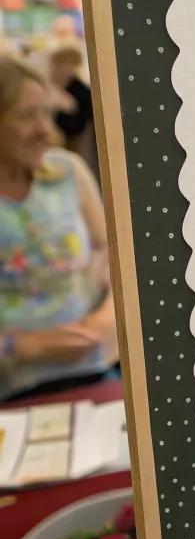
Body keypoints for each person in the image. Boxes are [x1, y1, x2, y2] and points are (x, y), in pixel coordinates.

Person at [0, 54, 118, 401]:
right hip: (15, 388)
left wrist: (105, 319)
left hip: (94, 370)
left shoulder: (67, 172)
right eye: (27, 116)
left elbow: (110, 252)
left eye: (46, 113)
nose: (45, 130)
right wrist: (24, 346)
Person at [48, 42, 97, 173]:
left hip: (75, 143)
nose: (63, 68)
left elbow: (81, 123)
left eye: (69, 64)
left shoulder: (81, 91)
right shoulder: (49, 87)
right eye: (59, 64)